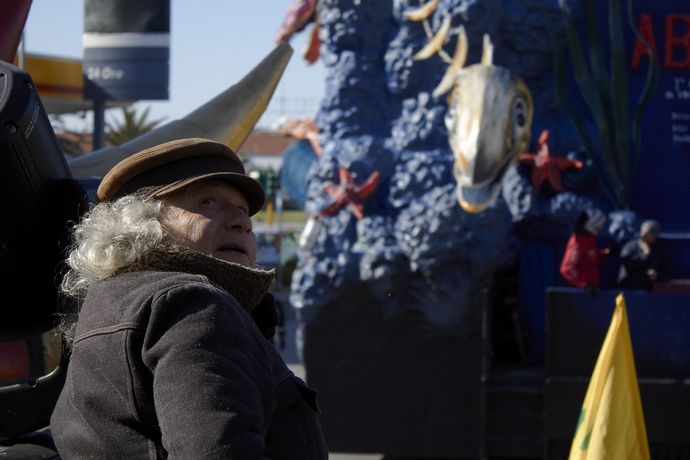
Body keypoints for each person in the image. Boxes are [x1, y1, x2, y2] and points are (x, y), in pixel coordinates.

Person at [50, 138, 327, 459]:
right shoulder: (193, 305)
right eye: (208, 202)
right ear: (140, 223)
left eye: (243, 212)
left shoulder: (110, 301)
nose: (243, 222)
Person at [559, 209, 610, 295]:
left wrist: (606, 253)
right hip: (580, 294)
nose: (601, 228)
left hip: (592, 291)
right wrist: (585, 285)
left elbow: (589, 258)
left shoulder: (589, 238)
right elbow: (567, 269)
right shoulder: (577, 242)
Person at [617, 219, 665, 291]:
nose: (645, 236)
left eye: (653, 234)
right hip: (628, 289)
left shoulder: (658, 249)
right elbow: (628, 265)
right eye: (648, 233)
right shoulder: (630, 246)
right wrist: (644, 255)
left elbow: (666, 269)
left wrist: (657, 275)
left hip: (648, 291)